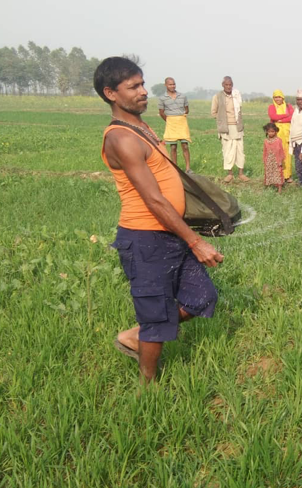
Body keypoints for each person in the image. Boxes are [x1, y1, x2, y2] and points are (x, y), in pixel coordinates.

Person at [95, 56, 222, 383]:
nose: (142, 92)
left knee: (202, 297)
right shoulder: (120, 138)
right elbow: (153, 199)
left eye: (141, 84)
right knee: (156, 315)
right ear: (110, 93)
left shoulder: (142, 127)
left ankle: (137, 336)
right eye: (133, 87)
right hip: (145, 239)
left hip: (170, 234)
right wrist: (196, 242)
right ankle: (147, 388)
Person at [210, 76, 248, 182]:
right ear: (223, 85)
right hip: (225, 127)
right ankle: (229, 174)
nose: (228, 87)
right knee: (228, 151)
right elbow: (213, 112)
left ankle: (241, 173)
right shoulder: (217, 96)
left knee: (240, 150)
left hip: (237, 126)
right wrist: (221, 119)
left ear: (232, 85)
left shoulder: (236, 96)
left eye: (230, 85)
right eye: (226, 85)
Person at [156, 77, 192, 173]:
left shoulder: (182, 96)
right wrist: (169, 120)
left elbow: (187, 109)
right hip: (171, 123)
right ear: (166, 85)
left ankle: (188, 168)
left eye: (173, 84)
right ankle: (175, 169)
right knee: (173, 147)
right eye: (170, 84)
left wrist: (181, 116)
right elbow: (161, 112)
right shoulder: (162, 98)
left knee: (185, 145)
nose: (172, 86)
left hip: (181, 122)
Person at [266, 89, 294, 183]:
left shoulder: (288, 106)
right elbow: (273, 116)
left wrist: (280, 120)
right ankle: (277, 176)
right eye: (275, 97)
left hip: (287, 133)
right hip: (276, 134)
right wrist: (285, 116)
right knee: (276, 154)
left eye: (279, 97)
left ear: (283, 97)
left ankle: (287, 176)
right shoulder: (271, 107)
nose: (278, 99)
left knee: (287, 155)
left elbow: (292, 116)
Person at [262, 122, 285, 192]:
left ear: (275, 132)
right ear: (267, 132)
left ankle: (279, 189)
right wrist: (265, 159)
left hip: (276, 160)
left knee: (278, 172)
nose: (271, 133)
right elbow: (265, 151)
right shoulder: (266, 141)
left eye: (272, 131)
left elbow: (281, 150)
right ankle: (268, 185)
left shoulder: (278, 140)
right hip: (269, 159)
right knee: (269, 172)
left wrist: (281, 160)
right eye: (269, 132)